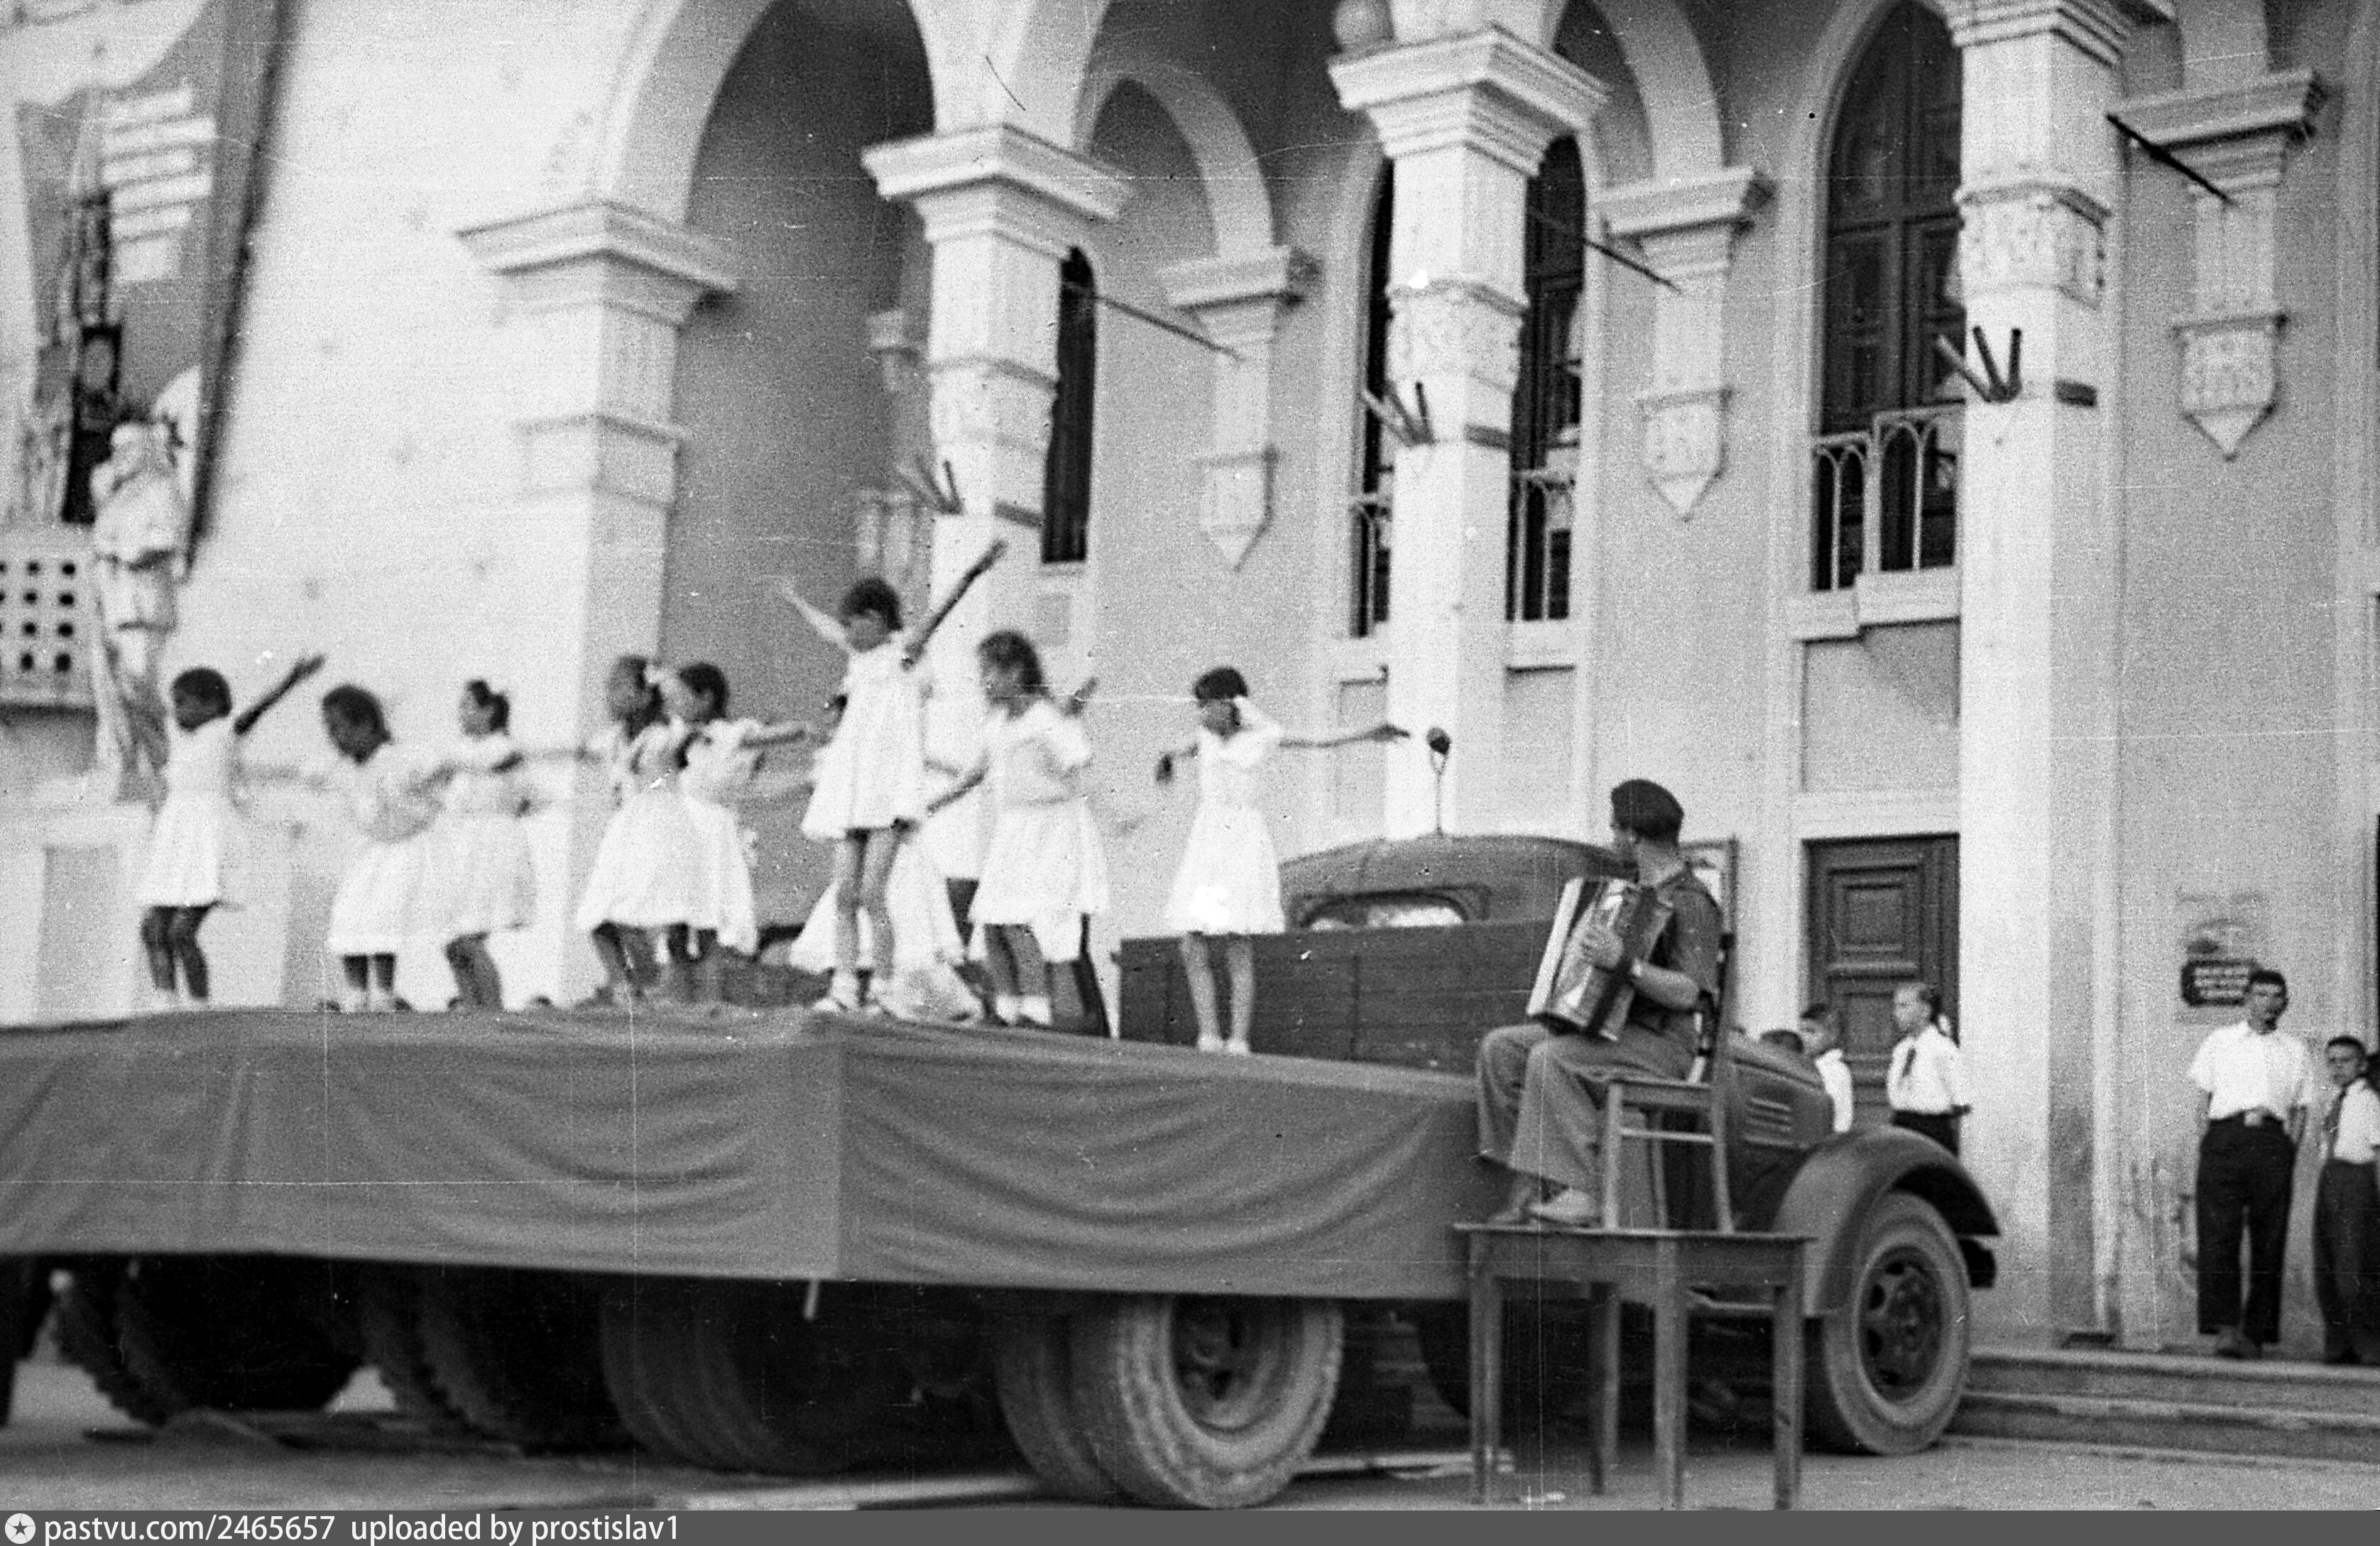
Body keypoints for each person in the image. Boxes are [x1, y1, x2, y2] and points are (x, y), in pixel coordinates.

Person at [1475, 778, 1725, 1228]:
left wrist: (1623, 963)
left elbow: (1688, 993)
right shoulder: (1629, 893)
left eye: (1614, 829)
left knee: (1553, 1058)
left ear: (1632, 834)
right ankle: (1530, 1182)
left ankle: (1584, 1191)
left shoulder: (1692, 902)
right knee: (1502, 1049)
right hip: (1615, 1032)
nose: (1612, 839)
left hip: (1663, 1044)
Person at [780, 541, 1004, 1012]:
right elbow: (826, 630)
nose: (848, 631)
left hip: (887, 794)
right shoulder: (857, 660)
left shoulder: (902, 655)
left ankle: (882, 987)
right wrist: (795, 600)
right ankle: (844, 986)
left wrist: (973, 572)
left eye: (856, 622)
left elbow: (939, 613)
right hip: (855, 790)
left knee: (873, 894)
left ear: (879, 619)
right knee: (845, 895)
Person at [1153, 665, 1406, 1054]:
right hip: (1207, 843)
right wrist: (1166, 760)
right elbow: (1177, 750)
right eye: (1199, 705)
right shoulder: (1204, 738)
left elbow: (1315, 740)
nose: (1201, 713)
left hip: (1241, 842)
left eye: (1208, 704)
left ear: (1230, 704)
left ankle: (1238, 1039)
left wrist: (1366, 732)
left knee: (1237, 940)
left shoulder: (1263, 736)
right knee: (1193, 940)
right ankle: (1208, 1035)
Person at [927, 630, 1104, 1029]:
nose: (983, 682)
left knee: (1023, 921)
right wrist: (928, 805)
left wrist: (1115, 815)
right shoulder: (998, 724)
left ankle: (1037, 1009)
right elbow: (973, 774)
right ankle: (1007, 1008)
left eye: (989, 672)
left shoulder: (1046, 719)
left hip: (1051, 831)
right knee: (992, 920)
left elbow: (1080, 773)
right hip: (1015, 830)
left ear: (1016, 672)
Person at [133, 654, 324, 1010]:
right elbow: (143, 711)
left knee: (181, 931)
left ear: (212, 705)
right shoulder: (179, 741)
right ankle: (165, 1001)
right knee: (153, 929)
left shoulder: (222, 733)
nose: (177, 710)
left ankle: (198, 1005)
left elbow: (256, 710)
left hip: (207, 838)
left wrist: (289, 681)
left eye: (184, 703)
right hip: (175, 839)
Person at [662, 661, 814, 1005]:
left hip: (712, 833)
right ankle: (678, 999)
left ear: (706, 698)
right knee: (676, 920)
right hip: (682, 829)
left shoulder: (728, 734)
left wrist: (800, 730)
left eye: (682, 697)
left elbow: (763, 739)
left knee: (711, 920)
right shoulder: (676, 735)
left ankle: (711, 998)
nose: (675, 705)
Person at [2188, 967, 2318, 1360]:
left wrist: (2288, 1150)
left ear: (2286, 1003)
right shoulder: (2220, 1041)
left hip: (2272, 1142)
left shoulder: (2295, 1050)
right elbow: (2202, 1100)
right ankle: (2225, 1329)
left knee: (2269, 1239)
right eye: (2261, 995)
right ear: (2247, 999)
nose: (2269, 1003)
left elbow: (2300, 1110)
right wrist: (2211, 1143)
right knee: (2218, 1236)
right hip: (2225, 1139)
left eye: (2277, 996)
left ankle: (2256, 1332)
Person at [312, 685, 458, 1012]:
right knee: (349, 915)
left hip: (400, 850)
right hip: (368, 850)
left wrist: (421, 791)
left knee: (383, 920)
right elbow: (323, 782)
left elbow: (438, 771)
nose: (334, 738)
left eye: (339, 729)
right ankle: (355, 991)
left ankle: (382, 992)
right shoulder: (345, 768)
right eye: (329, 730)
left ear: (366, 725)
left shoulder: (397, 759)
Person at [566, 655, 698, 1007]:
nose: (609, 695)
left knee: (643, 913)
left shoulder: (664, 734)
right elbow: (579, 752)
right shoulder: (612, 738)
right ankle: (624, 985)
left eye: (618, 686)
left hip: (662, 828)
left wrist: (667, 687)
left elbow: (683, 732)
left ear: (645, 694)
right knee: (597, 913)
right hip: (626, 830)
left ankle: (653, 987)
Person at [436, 680, 540, 1011]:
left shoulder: (504, 749)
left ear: (488, 710)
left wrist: (498, 817)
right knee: (454, 941)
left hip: (493, 846)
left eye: (469, 705)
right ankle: (472, 1006)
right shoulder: (458, 752)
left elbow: (530, 797)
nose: (461, 713)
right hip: (462, 847)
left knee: (469, 937)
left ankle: (492, 1009)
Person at [2312, 1035, 2380, 1366]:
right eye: (2332, 1061)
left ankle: (2369, 1344)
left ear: (2362, 1065)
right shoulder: (2333, 1099)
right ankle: (2339, 1344)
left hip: (2357, 1181)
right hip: (2330, 1180)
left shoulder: (2370, 1102)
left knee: (2355, 1265)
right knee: (2327, 1263)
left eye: (2346, 1061)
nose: (2337, 1068)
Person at [1884, 983, 1967, 1154]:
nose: (1896, 1013)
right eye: (1896, 1007)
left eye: (1904, 1006)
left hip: (1931, 1129)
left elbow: (1960, 1099)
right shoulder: (1902, 1050)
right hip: (1902, 1126)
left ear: (1925, 1011)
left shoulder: (1943, 1049)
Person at [1803, 1002, 1855, 1135]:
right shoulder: (1807, 1064)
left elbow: (1836, 1112)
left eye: (1812, 1032)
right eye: (1802, 1031)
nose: (1805, 1038)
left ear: (1832, 1035)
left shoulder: (1836, 1070)